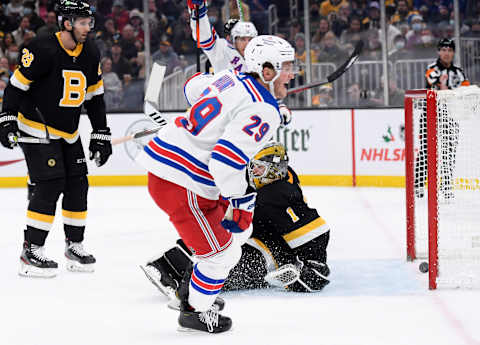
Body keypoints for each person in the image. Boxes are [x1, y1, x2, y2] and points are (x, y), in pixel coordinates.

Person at [135, 35, 296, 333]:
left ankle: (192, 288)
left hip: (177, 171)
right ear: (267, 70)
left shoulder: (230, 77)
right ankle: (194, 310)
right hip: (184, 182)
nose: (293, 73)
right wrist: (243, 202)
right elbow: (224, 163)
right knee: (223, 255)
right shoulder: (264, 109)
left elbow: (192, 86)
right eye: (287, 66)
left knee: (239, 232)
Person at [0, 0, 112, 278]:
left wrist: (101, 132)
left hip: (68, 132)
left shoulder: (90, 52)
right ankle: (31, 251)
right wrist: (6, 119)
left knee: (78, 185)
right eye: (83, 23)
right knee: (50, 184)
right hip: (36, 128)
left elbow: (95, 98)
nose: (89, 27)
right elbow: (15, 88)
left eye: (90, 22)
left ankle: (74, 245)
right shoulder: (41, 48)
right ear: (67, 23)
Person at [141, 142, 330, 298]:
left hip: (271, 252)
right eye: (253, 167)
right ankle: (173, 265)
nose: (253, 172)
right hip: (254, 236)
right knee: (207, 239)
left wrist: (315, 265)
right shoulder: (267, 185)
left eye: (259, 168)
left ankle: (185, 280)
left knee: (228, 263)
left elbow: (315, 230)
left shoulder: (280, 193)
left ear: (274, 169)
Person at [415, 38, 470, 200]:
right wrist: (448, 89)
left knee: (448, 151)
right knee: (426, 150)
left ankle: (446, 186)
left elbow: (465, 92)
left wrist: (449, 90)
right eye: (443, 50)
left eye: (450, 50)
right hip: (430, 115)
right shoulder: (431, 69)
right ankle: (418, 184)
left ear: (453, 52)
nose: (446, 53)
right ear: (439, 52)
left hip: (450, 115)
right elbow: (438, 87)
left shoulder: (459, 72)